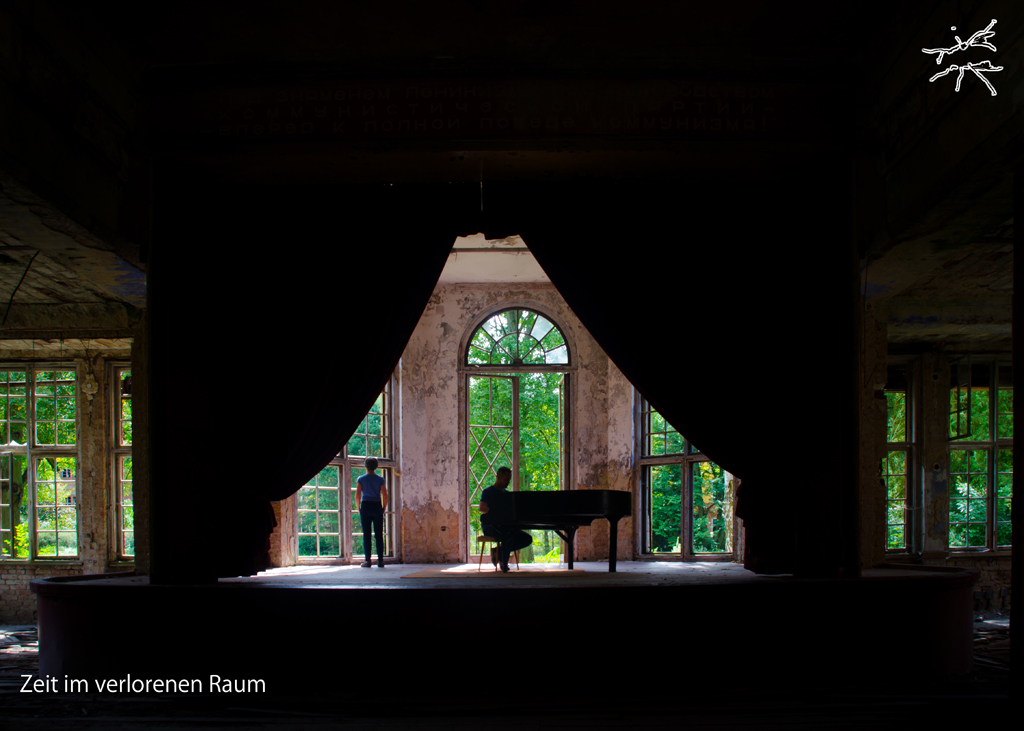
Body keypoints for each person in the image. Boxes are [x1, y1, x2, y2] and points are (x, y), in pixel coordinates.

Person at [478, 466, 532, 573]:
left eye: (509, 479)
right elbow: (482, 508)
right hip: (491, 526)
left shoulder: (507, 495)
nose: (508, 481)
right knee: (508, 535)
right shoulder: (488, 492)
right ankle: (503, 561)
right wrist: (495, 512)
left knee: (526, 539)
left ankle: (499, 552)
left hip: (505, 526)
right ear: (498, 477)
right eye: (506, 479)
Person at [355, 457, 388, 567]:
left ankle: (367, 561)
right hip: (377, 505)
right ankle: (380, 560)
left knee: (367, 534)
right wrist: (383, 507)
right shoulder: (380, 479)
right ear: (376, 466)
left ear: (365, 466)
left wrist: (358, 508)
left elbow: (358, 495)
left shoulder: (361, 479)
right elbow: (384, 494)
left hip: (366, 505)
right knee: (379, 534)